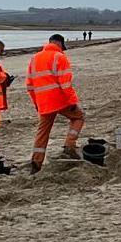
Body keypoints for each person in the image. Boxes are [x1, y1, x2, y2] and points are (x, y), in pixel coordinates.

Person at [26, 34, 84, 174]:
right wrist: (72, 102)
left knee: (43, 131)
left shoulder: (35, 58)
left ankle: (36, 162)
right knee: (79, 117)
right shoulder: (60, 57)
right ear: (60, 44)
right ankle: (69, 146)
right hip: (59, 100)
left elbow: (30, 85)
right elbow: (65, 84)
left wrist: (37, 103)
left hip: (43, 102)